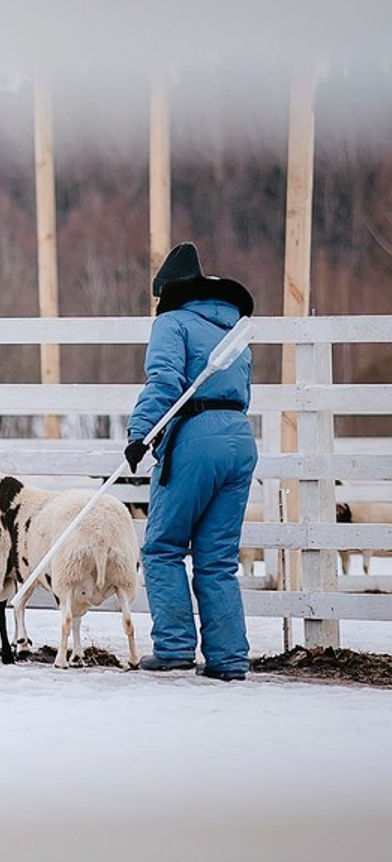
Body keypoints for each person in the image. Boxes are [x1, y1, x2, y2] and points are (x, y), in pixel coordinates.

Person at [125, 242, 255, 680]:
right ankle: (228, 658)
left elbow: (164, 379)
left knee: (161, 547)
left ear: (169, 293)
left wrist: (139, 434)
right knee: (217, 559)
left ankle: (175, 648)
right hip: (239, 437)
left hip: (194, 438)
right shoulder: (233, 328)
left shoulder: (172, 323)